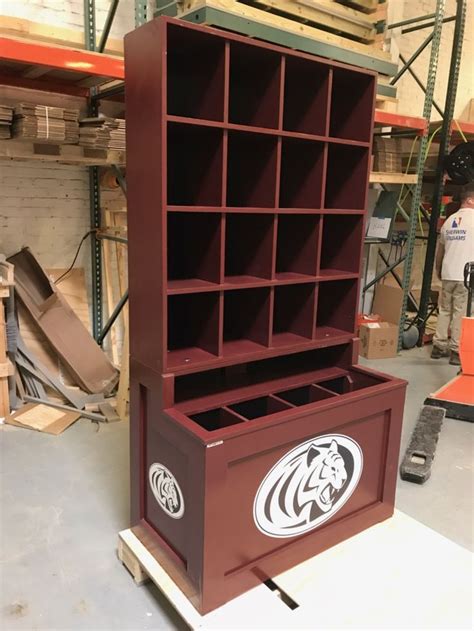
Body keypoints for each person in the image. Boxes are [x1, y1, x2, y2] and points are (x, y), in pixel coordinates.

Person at [431, 182, 474, 365]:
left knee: (445, 310)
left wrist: (439, 270)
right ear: (470, 200)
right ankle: (456, 351)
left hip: (448, 273)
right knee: (461, 312)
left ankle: (438, 346)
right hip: (466, 276)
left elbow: (440, 251)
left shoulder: (449, 221)